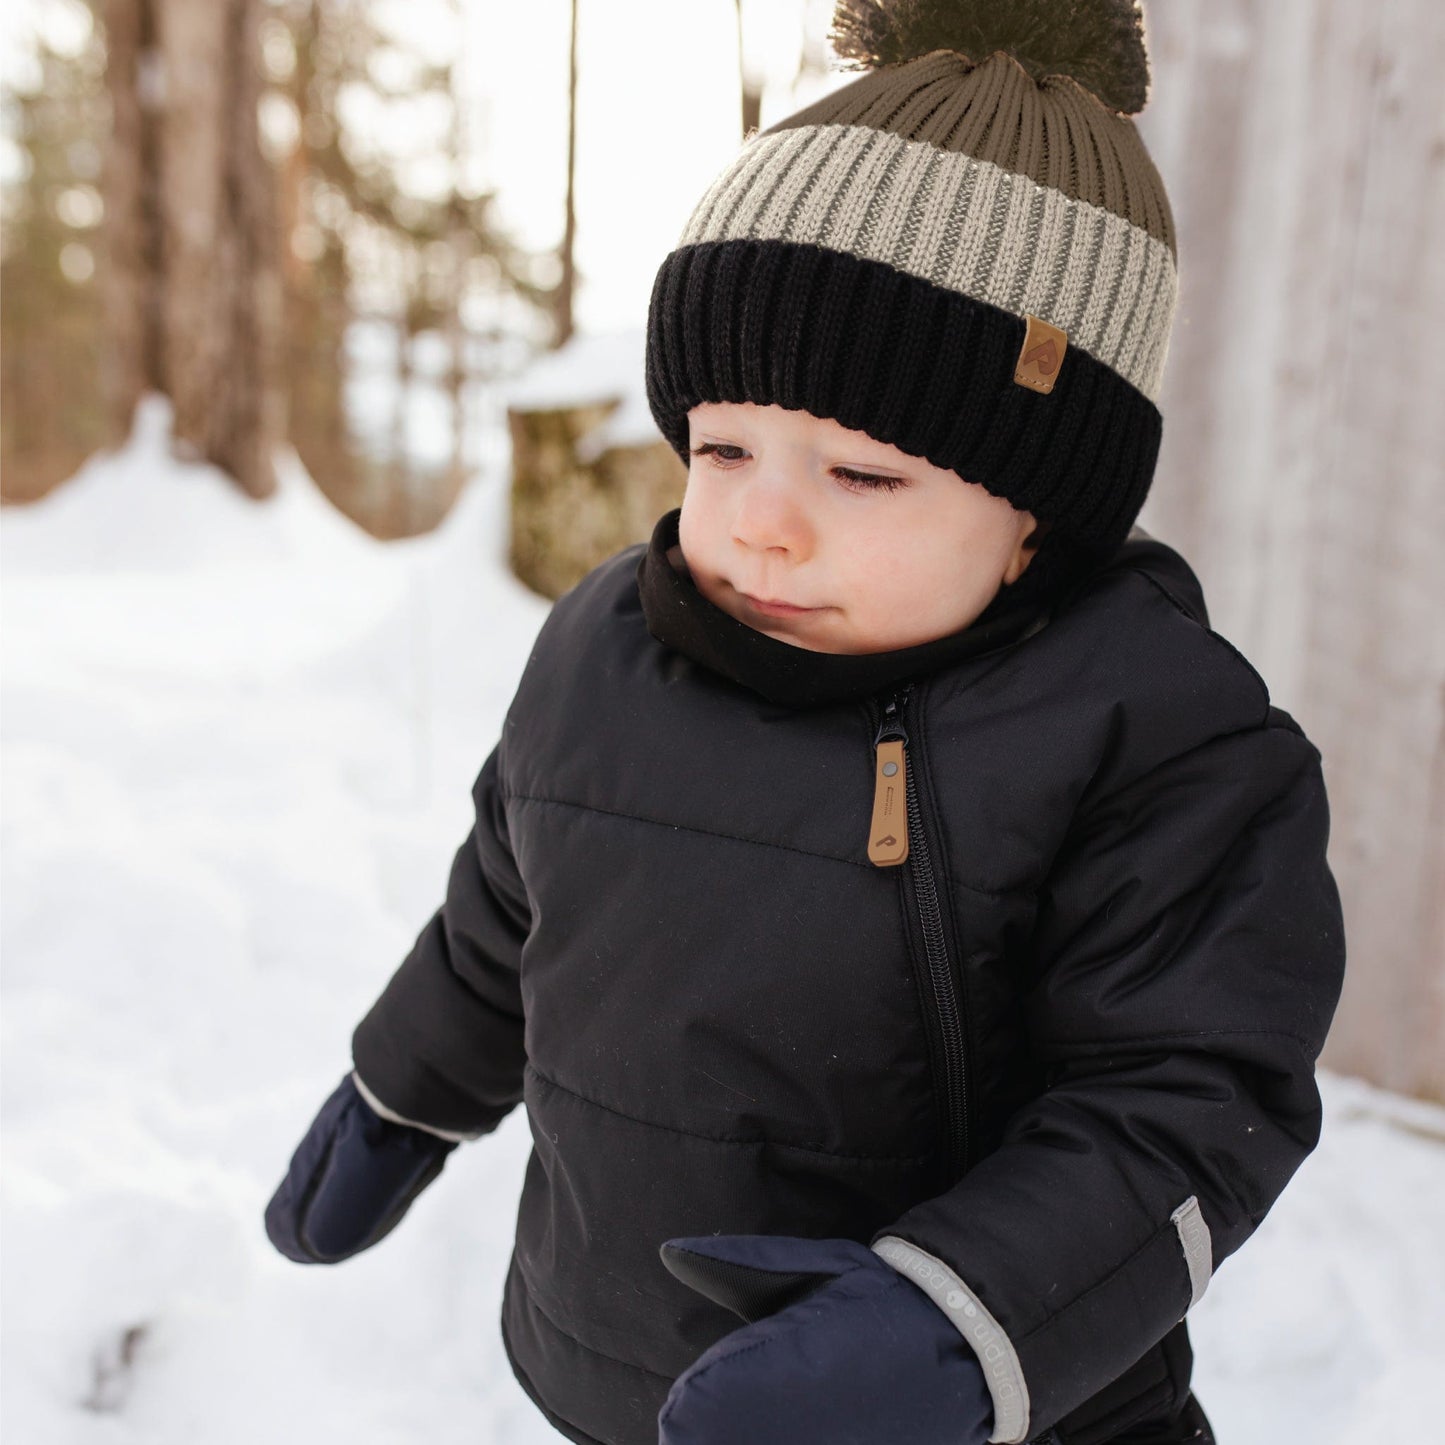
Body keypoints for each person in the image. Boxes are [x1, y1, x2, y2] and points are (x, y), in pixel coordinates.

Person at [264, 4, 1347, 1443]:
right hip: (621, 1380)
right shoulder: (605, 649)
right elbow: (509, 908)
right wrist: (400, 1088)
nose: (760, 523)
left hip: (975, 1407)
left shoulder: (1153, 738)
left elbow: (1187, 1102)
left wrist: (949, 1327)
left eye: (860, 474)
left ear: (1036, 512)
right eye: (721, 446)